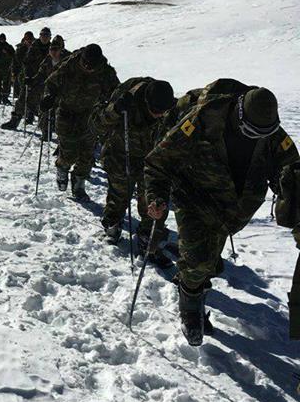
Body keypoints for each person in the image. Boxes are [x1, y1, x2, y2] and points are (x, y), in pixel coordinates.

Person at [145, 86, 300, 345]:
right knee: (197, 262)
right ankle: (191, 311)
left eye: (264, 134)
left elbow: (294, 177)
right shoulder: (201, 121)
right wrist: (156, 197)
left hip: (235, 209)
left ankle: (196, 278)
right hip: (194, 196)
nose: (256, 138)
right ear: (238, 115)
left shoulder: (271, 134)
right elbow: (159, 162)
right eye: (251, 133)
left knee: (208, 260)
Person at [95, 77, 176, 263]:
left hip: (151, 159)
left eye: (162, 112)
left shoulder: (168, 106)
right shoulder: (126, 98)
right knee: (119, 193)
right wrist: (115, 110)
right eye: (155, 111)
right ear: (146, 101)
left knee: (151, 199)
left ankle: (148, 236)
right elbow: (98, 122)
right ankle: (112, 225)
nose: (158, 115)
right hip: (121, 154)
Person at [41, 42, 118, 200]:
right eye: (86, 64)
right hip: (66, 113)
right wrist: (49, 96)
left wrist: (117, 103)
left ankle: (78, 184)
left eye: (92, 66)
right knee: (69, 153)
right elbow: (51, 83)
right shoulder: (69, 65)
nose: (89, 68)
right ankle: (62, 167)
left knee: (87, 155)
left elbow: (115, 91)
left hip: (90, 115)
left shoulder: (105, 72)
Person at [1, 27, 52, 130]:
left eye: (47, 35)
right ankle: (14, 121)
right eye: (43, 35)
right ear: (40, 36)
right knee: (22, 100)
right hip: (32, 78)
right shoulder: (34, 46)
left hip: (47, 79)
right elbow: (27, 63)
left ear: (50, 37)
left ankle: (46, 127)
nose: (44, 37)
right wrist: (28, 76)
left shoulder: (52, 48)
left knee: (45, 104)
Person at [0, 33, 15, 104]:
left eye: (3, 39)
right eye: (1, 39)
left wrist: (7, 53)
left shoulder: (8, 46)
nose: (2, 40)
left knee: (6, 84)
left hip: (6, 68)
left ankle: (5, 97)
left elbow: (14, 55)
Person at [12, 31, 34, 100]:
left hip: (34, 75)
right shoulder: (20, 49)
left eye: (30, 39)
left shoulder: (36, 48)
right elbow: (14, 62)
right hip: (21, 75)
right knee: (21, 95)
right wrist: (13, 73)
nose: (29, 41)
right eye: (27, 39)